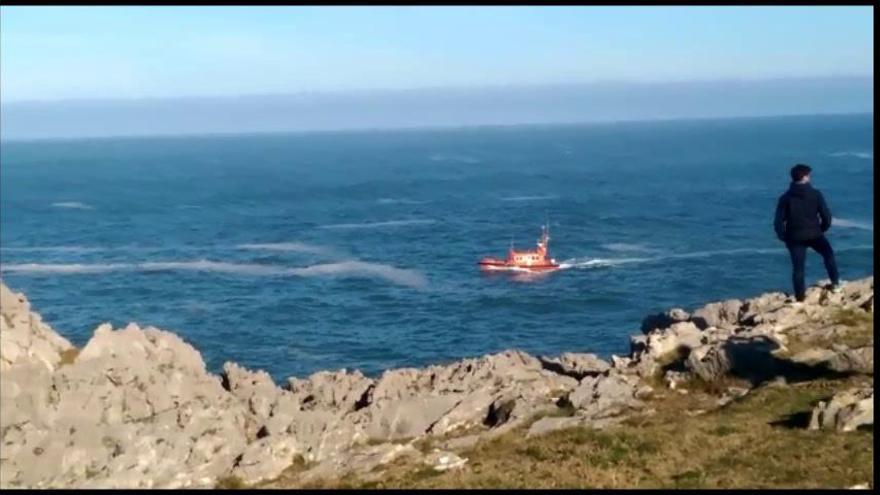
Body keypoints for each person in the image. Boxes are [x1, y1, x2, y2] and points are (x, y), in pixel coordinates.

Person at [774, 163, 841, 303]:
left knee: (798, 268)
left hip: (795, 237)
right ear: (804, 177)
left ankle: (800, 298)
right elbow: (826, 217)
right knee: (828, 255)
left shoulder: (785, 198)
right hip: (815, 234)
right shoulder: (815, 194)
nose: (810, 177)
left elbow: (778, 222)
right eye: (808, 175)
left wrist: (784, 237)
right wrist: (821, 229)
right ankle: (835, 284)